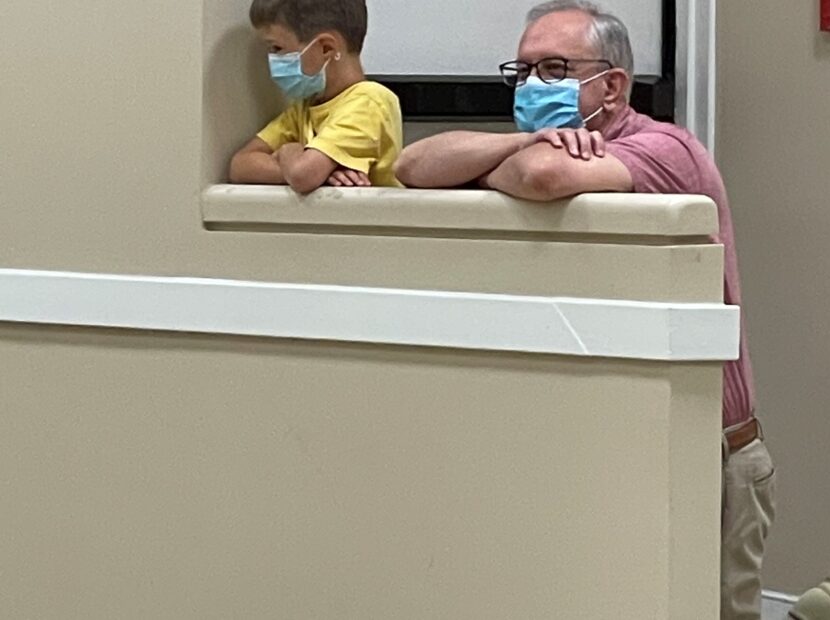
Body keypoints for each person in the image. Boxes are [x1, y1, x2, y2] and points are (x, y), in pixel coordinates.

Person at [394, 2, 776, 618]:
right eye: (521, 71)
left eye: (553, 69)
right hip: (622, 445)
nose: (530, 85)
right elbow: (411, 166)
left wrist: (499, 166)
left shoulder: (665, 147)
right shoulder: (544, 142)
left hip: (714, 451)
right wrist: (524, 139)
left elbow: (543, 178)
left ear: (613, 85)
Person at [229, 0, 403, 193]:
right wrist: (315, 174)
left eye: (277, 48)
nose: (272, 59)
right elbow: (240, 165)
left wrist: (288, 150)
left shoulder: (369, 102)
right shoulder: (305, 107)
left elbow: (303, 175)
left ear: (326, 48)